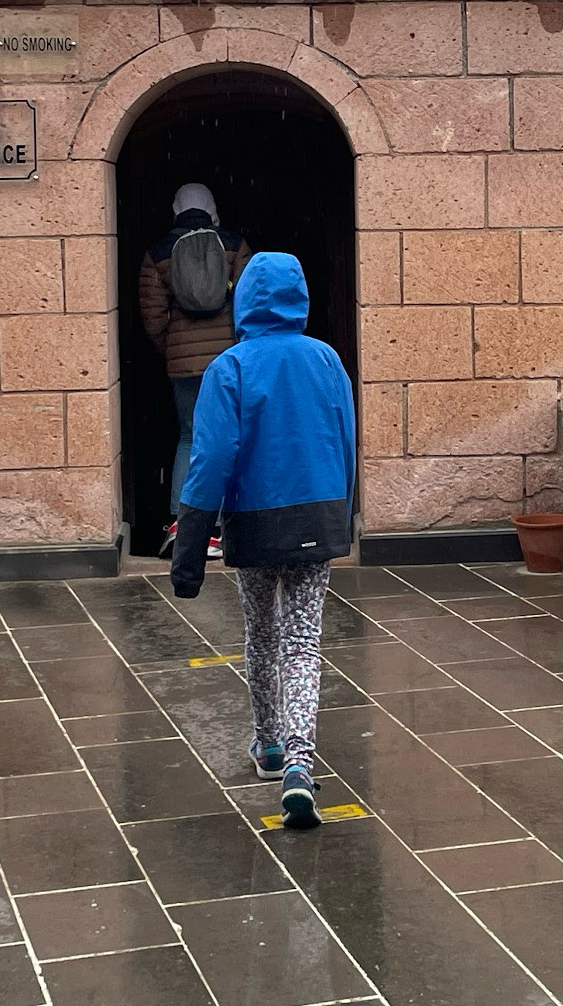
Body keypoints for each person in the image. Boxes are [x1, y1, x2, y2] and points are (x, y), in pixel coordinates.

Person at [170, 251, 356, 829]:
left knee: (262, 635)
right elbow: (344, 437)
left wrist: (191, 548)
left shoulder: (231, 367)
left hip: (254, 517)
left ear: (243, 298)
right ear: (298, 297)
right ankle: (302, 764)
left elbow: (210, 460)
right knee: (304, 639)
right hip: (316, 514)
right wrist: (340, 510)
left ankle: (269, 745)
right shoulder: (325, 358)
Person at [138, 183, 252, 555]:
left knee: (189, 438)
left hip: (182, 366)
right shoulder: (234, 245)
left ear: (176, 207)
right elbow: (251, 301)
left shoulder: (158, 252)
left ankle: (180, 523)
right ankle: (221, 528)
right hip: (228, 359)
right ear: (213, 207)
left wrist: (172, 350)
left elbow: (153, 315)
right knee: (230, 437)